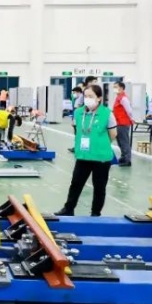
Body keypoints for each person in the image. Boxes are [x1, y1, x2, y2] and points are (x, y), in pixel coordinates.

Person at [55, 84, 117, 217]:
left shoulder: (107, 113)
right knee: (76, 184)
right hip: (83, 155)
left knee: (99, 187)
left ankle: (95, 213)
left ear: (99, 98)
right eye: (86, 96)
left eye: (91, 96)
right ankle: (68, 209)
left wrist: (100, 144)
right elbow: (77, 130)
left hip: (101, 157)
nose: (87, 99)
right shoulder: (78, 113)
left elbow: (113, 134)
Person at [111, 81, 133, 167]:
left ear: (121, 88)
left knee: (124, 142)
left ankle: (127, 160)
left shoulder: (123, 98)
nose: (114, 89)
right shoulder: (118, 98)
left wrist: (131, 119)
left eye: (116, 87)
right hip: (118, 123)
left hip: (123, 123)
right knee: (120, 141)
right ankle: (123, 157)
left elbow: (129, 111)